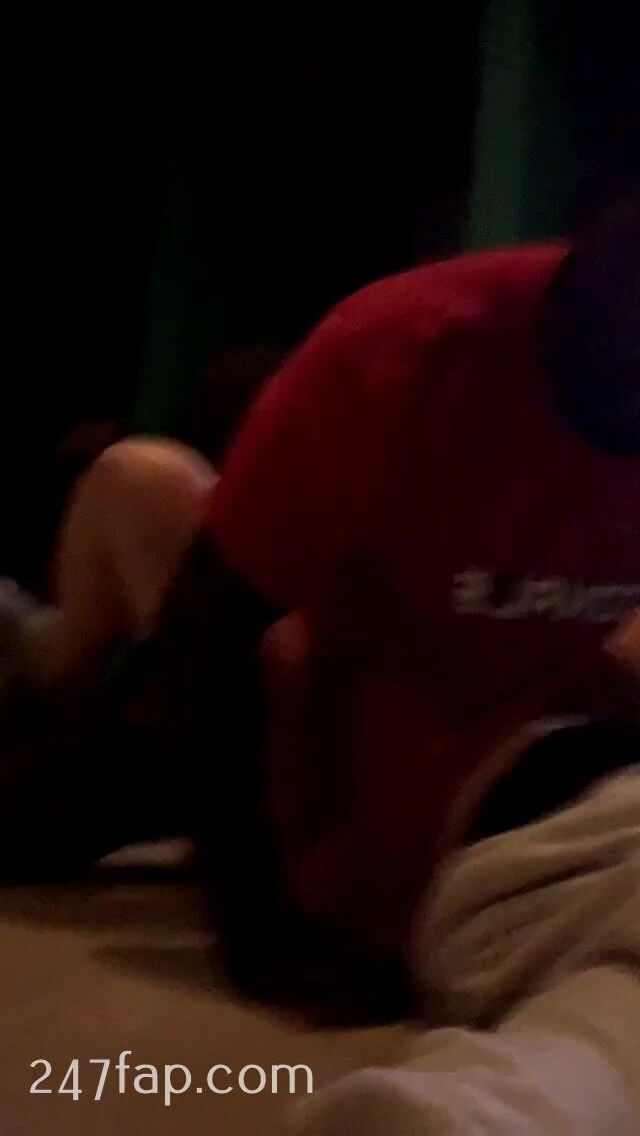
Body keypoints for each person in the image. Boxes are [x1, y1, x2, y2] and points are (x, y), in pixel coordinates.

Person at [6, 174, 640, 1037]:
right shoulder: (405, 348)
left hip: (456, 751)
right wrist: (258, 931)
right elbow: (211, 634)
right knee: (45, 803)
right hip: (273, 717)